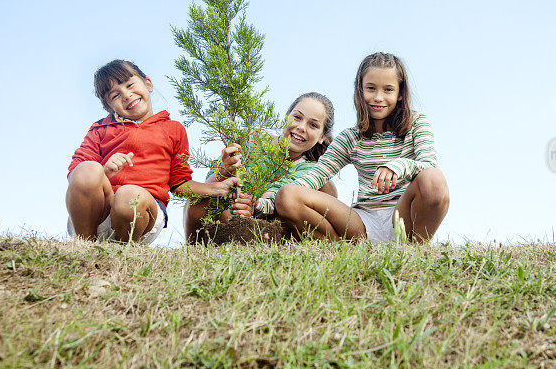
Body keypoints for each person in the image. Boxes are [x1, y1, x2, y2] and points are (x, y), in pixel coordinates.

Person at [275, 52, 449, 244]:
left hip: (403, 216)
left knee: (433, 179)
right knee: (288, 195)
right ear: (360, 90)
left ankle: (415, 248)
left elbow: (428, 164)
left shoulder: (417, 123)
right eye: (371, 88)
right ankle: (341, 249)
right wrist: (262, 204)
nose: (378, 97)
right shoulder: (350, 137)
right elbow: (314, 177)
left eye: (388, 90)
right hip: (363, 222)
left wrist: (398, 166)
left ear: (400, 93)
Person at [66, 59, 239, 245]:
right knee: (87, 168)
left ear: (148, 84)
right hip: (98, 213)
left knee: (129, 196)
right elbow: (76, 173)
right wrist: (105, 171)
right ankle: (85, 245)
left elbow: (179, 183)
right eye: (115, 96)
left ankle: (125, 251)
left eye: (130, 84)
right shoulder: (100, 129)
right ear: (109, 107)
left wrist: (215, 187)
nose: (126, 95)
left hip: (142, 213)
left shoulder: (173, 129)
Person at [184, 92, 338, 241]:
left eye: (313, 125)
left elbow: (277, 197)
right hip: (222, 220)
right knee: (200, 198)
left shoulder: (309, 170)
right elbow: (208, 185)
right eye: (297, 117)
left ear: (322, 137)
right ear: (285, 118)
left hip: (262, 231)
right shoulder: (252, 141)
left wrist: (253, 205)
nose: (302, 127)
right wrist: (224, 171)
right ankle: (193, 250)